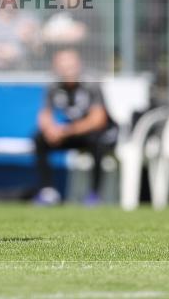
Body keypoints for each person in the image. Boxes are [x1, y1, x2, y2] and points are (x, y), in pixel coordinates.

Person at [33, 48, 117, 207]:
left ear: (79, 65)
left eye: (70, 66)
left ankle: (94, 194)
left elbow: (98, 120)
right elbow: (44, 114)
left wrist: (65, 131)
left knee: (97, 141)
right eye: (62, 67)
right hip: (72, 133)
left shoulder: (91, 85)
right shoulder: (53, 86)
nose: (67, 71)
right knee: (39, 139)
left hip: (98, 133)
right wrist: (50, 129)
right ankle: (48, 191)